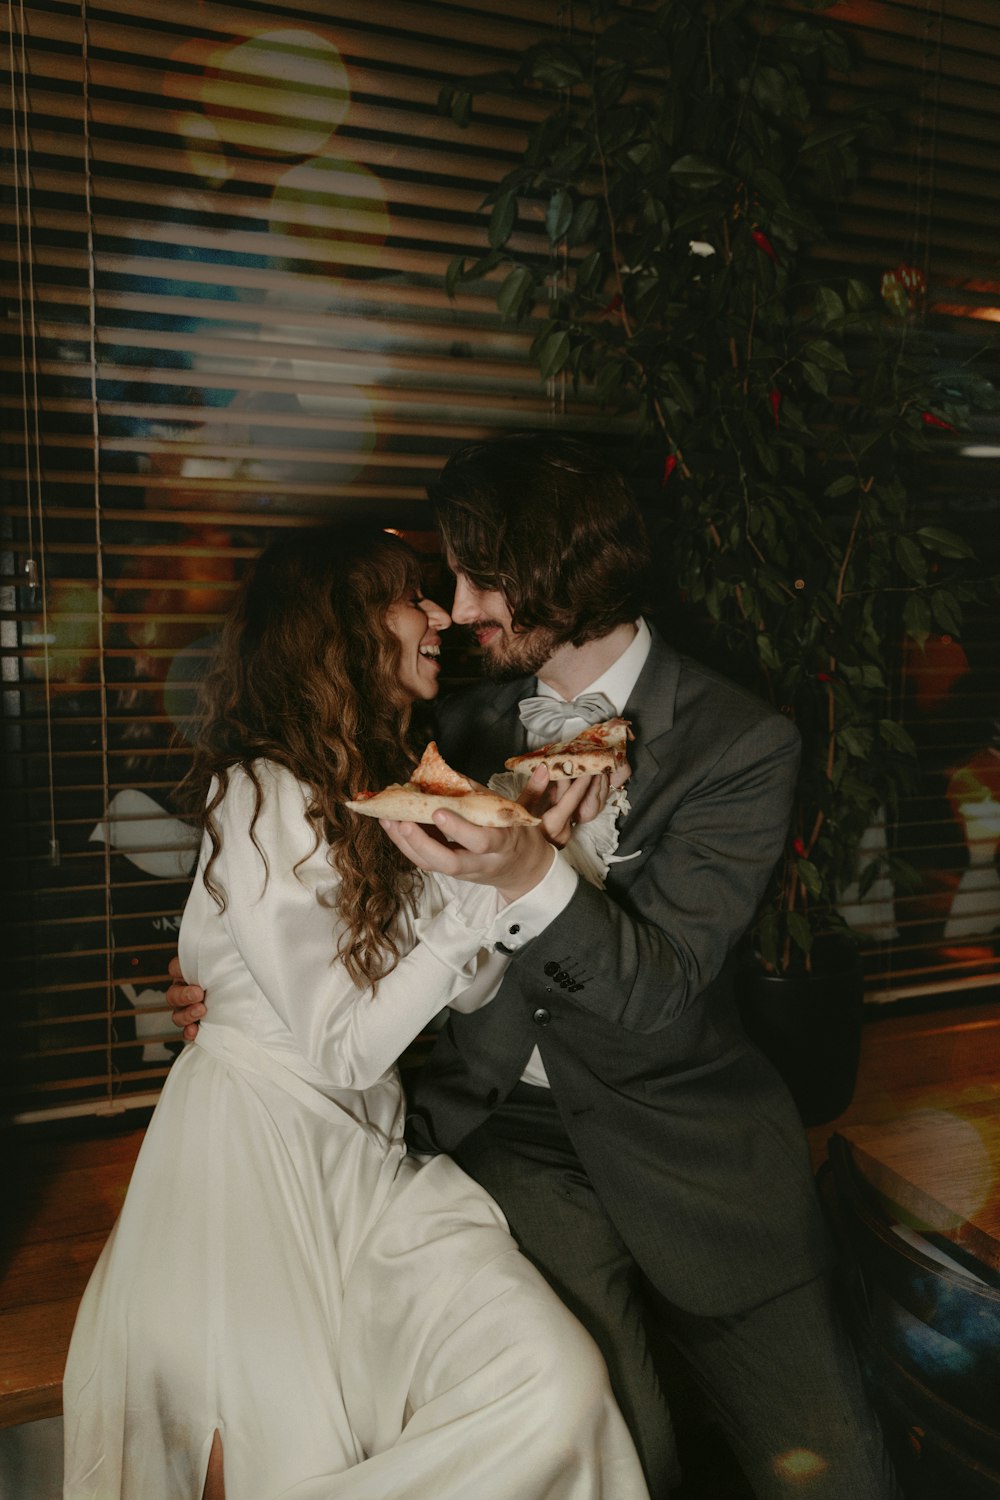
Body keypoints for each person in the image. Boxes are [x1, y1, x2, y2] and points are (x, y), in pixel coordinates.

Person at [169, 436, 900, 1499]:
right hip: (503, 1137)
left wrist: (529, 874)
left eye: (478, 577)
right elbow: (297, 848)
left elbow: (656, 988)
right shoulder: (449, 727)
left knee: (843, 1477)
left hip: (695, 1152)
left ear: (561, 571)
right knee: (609, 1456)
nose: (457, 609)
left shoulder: (745, 744)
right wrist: (217, 976)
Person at [63, 524, 649, 1500]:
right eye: (411, 599)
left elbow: (463, 991)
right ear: (341, 629)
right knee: (284, 1457)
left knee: (556, 1385)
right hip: (255, 1173)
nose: (436, 618)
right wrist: (473, 907)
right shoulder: (260, 795)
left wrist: (497, 867)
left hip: (371, 1164)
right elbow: (343, 1044)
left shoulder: (386, 783)